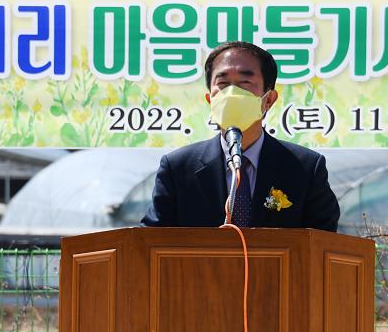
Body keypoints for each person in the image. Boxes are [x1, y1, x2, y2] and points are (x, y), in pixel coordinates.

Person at [141, 41, 340, 231]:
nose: (232, 92)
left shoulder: (305, 168)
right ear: (210, 99)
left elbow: (323, 240)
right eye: (223, 83)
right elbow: (150, 240)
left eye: (245, 82)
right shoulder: (178, 168)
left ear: (269, 99)